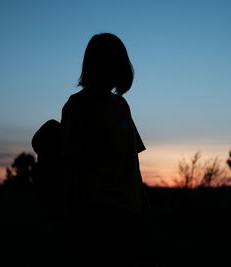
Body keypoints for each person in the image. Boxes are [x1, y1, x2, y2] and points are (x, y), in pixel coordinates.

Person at [60, 33, 150, 266]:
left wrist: (143, 206)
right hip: (97, 215)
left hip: (129, 213)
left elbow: (133, 160)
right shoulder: (77, 106)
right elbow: (70, 166)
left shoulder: (121, 105)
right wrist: (73, 222)